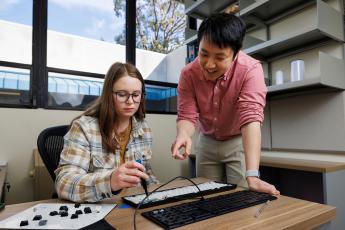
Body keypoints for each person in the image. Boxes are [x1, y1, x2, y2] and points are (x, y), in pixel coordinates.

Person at [171, 13, 279, 195]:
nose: (209, 65)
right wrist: (183, 135)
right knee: (206, 196)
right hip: (206, 141)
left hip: (238, 141)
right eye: (203, 54)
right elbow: (187, 115)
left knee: (242, 197)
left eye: (220, 58)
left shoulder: (250, 70)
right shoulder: (188, 74)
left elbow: (251, 118)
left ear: (235, 54)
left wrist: (252, 174)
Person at [55, 62, 158, 202]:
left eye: (136, 94)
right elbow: (63, 184)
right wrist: (110, 181)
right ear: (109, 95)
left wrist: (161, 196)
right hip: (99, 209)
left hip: (131, 206)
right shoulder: (84, 128)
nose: (130, 101)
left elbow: (146, 173)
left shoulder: (143, 129)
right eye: (122, 95)